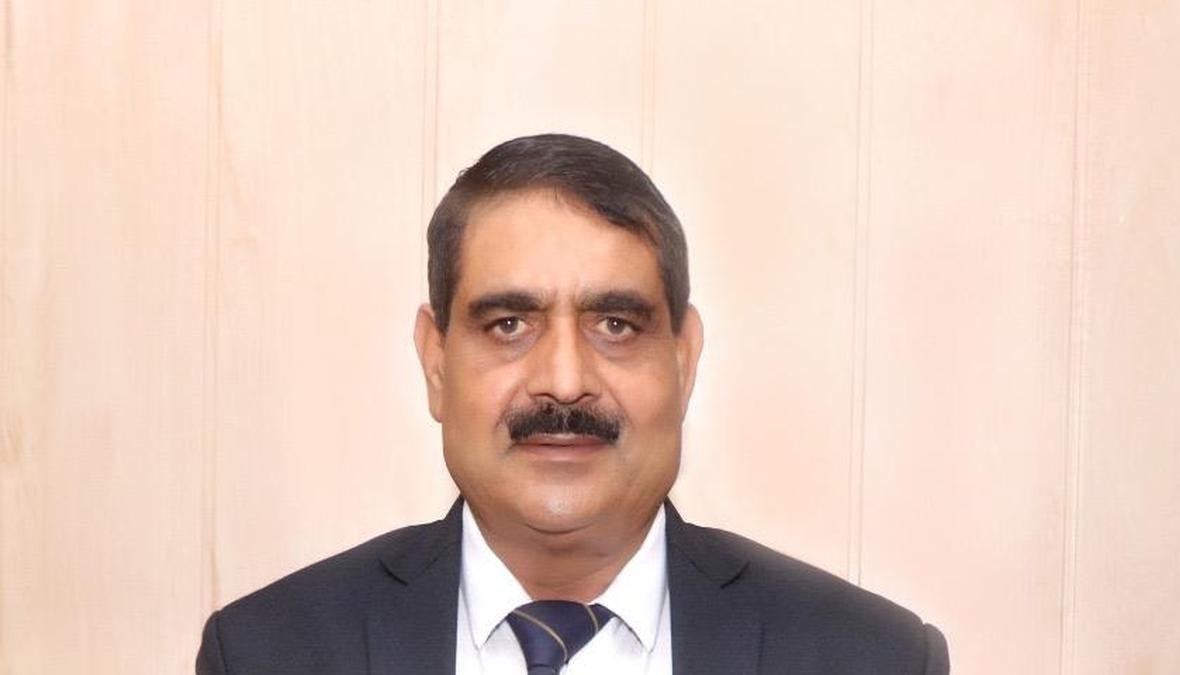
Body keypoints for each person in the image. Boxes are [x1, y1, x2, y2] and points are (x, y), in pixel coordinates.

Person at [196, 133, 950, 674]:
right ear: (436, 361)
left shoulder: (873, 658)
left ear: (683, 359)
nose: (563, 381)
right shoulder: (267, 654)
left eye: (615, 324)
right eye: (509, 324)